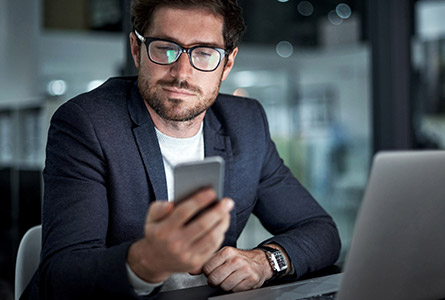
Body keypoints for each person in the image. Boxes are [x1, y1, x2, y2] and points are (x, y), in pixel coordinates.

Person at [21, 0, 341, 299]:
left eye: (204, 53)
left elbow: (320, 231)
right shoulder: (88, 124)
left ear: (227, 63)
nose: (181, 73)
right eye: (165, 49)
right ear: (137, 49)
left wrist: (266, 261)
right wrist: (148, 261)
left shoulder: (246, 123)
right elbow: (61, 275)